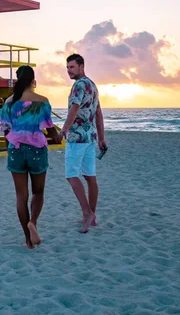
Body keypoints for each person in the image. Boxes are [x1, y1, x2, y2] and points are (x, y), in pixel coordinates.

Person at [0, 65, 61, 249]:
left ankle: (28, 239)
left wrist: (9, 150)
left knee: (21, 196)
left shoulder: (9, 102)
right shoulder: (42, 101)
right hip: (36, 149)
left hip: (15, 149)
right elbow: (50, 129)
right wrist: (58, 137)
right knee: (38, 191)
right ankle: (33, 222)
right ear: (33, 81)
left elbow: (5, 130)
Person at [61, 54, 107, 233]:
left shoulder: (78, 85)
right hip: (90, 137)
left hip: (77, 137)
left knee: (72, 175)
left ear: (81, 66)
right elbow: (98, 113)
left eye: (72, 67)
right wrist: (101, 138)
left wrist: (64, 129)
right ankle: (92, 215)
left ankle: (87, 213)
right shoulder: (92, 85)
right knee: (90, 176)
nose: (69, 71)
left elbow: (74, 109)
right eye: (67, 68)